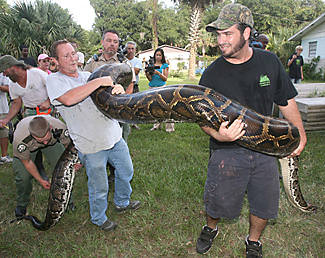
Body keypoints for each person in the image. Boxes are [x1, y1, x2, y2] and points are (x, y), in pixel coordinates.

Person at [195, 4, 307, 257]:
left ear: (246, 33)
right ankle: (210, 227)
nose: (220, 41)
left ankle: (253, 240)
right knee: (218, 201)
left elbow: (285, 100)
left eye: (227, 34)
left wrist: (300, 132)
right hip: (227, 149)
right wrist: (217, 135)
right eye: (218, 35)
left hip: (266, 149)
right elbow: (200, 117)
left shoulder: (269, 62)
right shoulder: (212, 74)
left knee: (264, 203)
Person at [46, 39, 140, 231]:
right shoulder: (54, 81)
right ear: (55, 60)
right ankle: (99, 218)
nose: (72, 58)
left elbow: (110, 96)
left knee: (126, 171)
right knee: (99, 185)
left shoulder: (88, 75)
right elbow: (69, 99)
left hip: (113, 136)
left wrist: (118, 90)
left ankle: (122, 202)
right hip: (91, 144)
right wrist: (98, 82)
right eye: (66, 55)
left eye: (73, 53)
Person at [12, 115, 74, 218]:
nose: (44, 142)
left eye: (46, 138)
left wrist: (73, 162)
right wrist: (40, 180)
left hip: (52, 144)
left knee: (64, 169)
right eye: (41, 140)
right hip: (29, 149)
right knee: (23, 177)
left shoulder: (60, 127)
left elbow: (69, 146)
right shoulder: (21, 140)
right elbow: (27, 162)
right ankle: (22, 203)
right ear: (32, 135)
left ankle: (67, 200)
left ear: (50, 128)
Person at [84, 30, 136, 141]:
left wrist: (122, 105)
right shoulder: (93, 62)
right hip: (97, 109)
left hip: (119, 110)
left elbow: (130, 86)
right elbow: (85, 84)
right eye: (109, 41)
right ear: (102, 42)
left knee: (121, 140)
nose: (112, 44)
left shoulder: (125, 63)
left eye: (115, 42)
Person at [145, 48, 174, 132]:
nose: (158, 57)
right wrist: (147, 73)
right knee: (154, 108)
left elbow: (165, 78)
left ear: (162, 56)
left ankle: (169, 128)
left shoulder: (165, 65)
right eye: (156, 55)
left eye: (159, 55)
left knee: (166, 107)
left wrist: (158, 73)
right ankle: (156, 125)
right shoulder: (151, 65)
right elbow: (150, 79)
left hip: (162, 88)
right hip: (152, 88)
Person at [125, 41, 142, 129]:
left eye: (132, 49)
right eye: (129, 48)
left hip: (134, 86)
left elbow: (136, 71)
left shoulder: (138, 61)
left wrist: (125, 68)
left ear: (135, 50)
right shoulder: (122, 59)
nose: (130, 50)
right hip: (124, 87)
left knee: (135, 105)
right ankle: (125, 122)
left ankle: (134, 123)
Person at [0, 72, 13, 164]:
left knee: (4, 133)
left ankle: (4, 156)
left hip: (2, 108)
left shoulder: (2, 74)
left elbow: (9, 88)